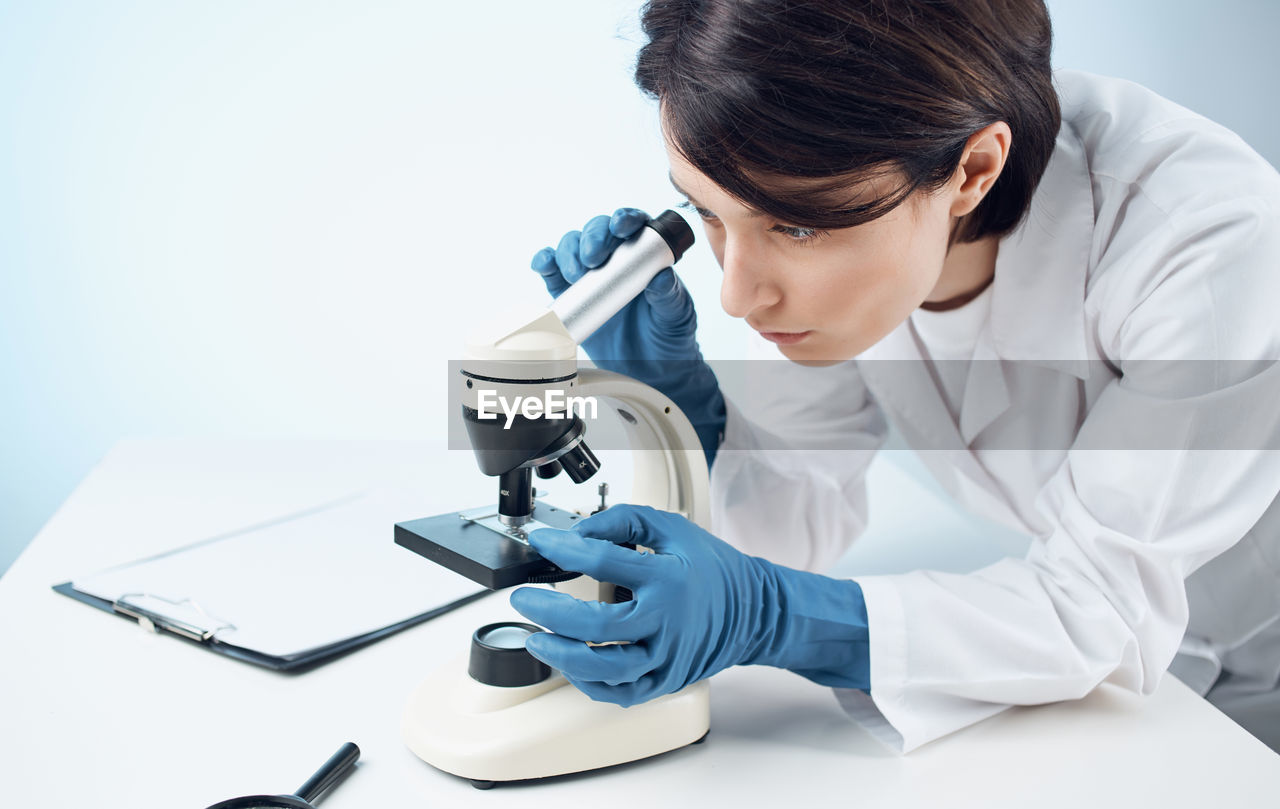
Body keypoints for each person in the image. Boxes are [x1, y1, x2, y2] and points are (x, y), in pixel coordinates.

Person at [509, 0, 1280, 753]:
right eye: (708, 212)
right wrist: (682, 406)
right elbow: (798, 510)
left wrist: (776, 617)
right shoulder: (873, 189)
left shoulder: (1206, 242)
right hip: (1098, 671)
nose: (737, 295)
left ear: (974, 170)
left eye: (797, 224)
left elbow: (1097, 606)